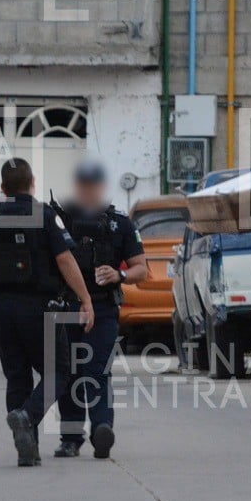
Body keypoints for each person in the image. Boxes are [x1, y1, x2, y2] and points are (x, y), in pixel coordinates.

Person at [0, 158, 95, 467]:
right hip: (41, 308)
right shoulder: (44, 215)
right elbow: (66, 260)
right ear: (33, 183)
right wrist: (85, 299)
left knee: (17, 376)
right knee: (58, 372)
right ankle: (27, 416)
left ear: (2, 188)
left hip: (2, 309)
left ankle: (27, 448)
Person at [52, 160, 146, 460]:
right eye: (83, 185)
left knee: (97, 371)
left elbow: (141, 269)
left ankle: (102, 429)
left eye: (93, 186)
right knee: (67, 372)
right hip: (67, 306)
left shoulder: (119, 223)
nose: (88, 191)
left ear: (101, 188)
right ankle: (70, 438)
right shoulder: (59, 219)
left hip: (103, 307)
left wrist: (119, 275)